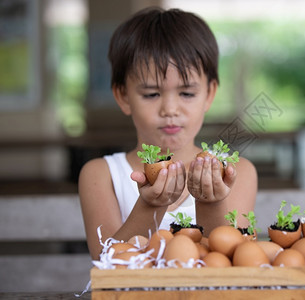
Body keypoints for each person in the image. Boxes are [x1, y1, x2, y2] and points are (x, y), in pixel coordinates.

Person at [78, 7, 258, 259]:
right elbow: (106, 261)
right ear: (123, 96)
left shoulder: (237, 173)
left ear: (209, 94)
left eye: (187, 93)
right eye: (151, 94)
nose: (170, 109)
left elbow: (228, 261)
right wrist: (150, 205)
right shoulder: (101, 175)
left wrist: (211, 202)